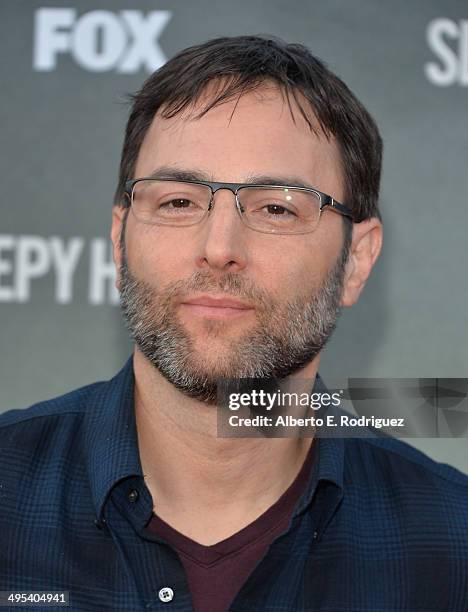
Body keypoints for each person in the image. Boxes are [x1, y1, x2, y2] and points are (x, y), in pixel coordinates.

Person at [0, 35, 467, 612]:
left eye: (277, 208)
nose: (219, 248)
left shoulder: (452, 546)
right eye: (177, 203)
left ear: (357, 260)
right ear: (120, 242)